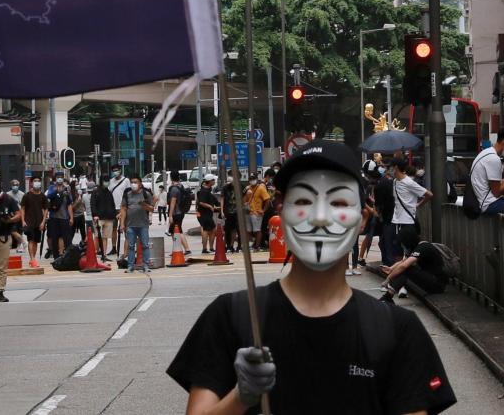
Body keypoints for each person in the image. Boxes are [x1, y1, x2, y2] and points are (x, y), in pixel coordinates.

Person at [168, 140, 457, 414]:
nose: (320, 217)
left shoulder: (398, 331)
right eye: (304, 200)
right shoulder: (230, 317)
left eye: (339, 203)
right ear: (281, 209)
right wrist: (241, 397)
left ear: (362, 218)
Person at [380, 227, 453, 303]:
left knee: (406, 269)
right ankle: (388, 297)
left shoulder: (423, 247)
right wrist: (391, 269)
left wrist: (388, 278)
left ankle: (388, 297)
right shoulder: (416, 248)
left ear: (407, 241)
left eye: (402, 243)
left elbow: (404, 266)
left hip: (438, 285)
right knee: (404, 269)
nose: (402, 246)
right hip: (431, 281)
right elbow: (403, 261)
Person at [390, 159, 432, 262]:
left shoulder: (409, 182)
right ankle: (399, 275)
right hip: (397, 222)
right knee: (397, 252)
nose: (388, 170)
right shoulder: (395, 182)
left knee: (410, 255)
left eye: (390, 167)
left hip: (408, 223)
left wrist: (418, 205)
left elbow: (429, 194)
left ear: (395, 168)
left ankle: (405, 275)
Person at [119, 175, 153, 273]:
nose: (134, 184)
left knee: (145, 245)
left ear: (140, 184)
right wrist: (122, 224)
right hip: (130, 225)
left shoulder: (146, 194)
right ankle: (130, 266)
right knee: (130, 246)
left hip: (143, 225)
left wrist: (144, 205)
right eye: (132, 182)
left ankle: (146, 265)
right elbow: (123, 209)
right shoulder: (127, 195)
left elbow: (151, 208)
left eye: (136, 182)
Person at [20, 177, 48, 268]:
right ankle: (32, 259)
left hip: (39, 222)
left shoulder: (43, 196)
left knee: (36, 241)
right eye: (35, 181)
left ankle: (33, 258)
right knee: (30, 240)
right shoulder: (27, 195)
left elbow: (46, 209)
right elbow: (22, 209)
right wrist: (23, 221)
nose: (37, 183)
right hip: (29, 221)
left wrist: (43, 222)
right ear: (31, 183)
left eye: (38, 181)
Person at [91, 175, 118, 260]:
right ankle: (95, 253)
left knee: (105, 237)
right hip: (98, 218)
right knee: (96, 236)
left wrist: (114, 215)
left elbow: (112, 204)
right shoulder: (96, 192)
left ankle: (104, 254)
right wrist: (94, 215)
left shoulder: (109, 192)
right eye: (105, 180)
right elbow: (93, 204)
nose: (107, 182)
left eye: (107, 180)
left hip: (109, 218)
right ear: (101, 181)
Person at [243, 174, 271, 252]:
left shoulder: (261, 188)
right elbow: (243, 199)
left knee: (257, 230)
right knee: (248, 230)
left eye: (253, 179)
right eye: (251, 179)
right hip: (248, 212)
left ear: (256, 179)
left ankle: (257, 246)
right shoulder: (247, 188)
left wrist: (263, 210)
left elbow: (267, 199)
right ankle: (249, 246)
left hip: (257, 212)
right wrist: (245, 197)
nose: (252, 181)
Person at [167, 172, 193, 255]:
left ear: (171, 178)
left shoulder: (174, 188)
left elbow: (173, 202)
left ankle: (186, 249)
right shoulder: (181, 186)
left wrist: (170, 215)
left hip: (176, 213)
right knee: (173, 231)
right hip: (181, 211)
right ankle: (176, 249)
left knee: (178, 231)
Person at [196, 175, 220, 254]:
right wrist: (210, 206)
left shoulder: (209, 190)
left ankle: (210, 248)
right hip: (203, 214)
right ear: (209, 181)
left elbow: (216, 202)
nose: (214, 181)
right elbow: (201, 202)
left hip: (206, 214)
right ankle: (205, 248)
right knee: (207, 230)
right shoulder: (203, 191)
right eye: (213, 180)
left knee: (211, 229)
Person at [221, 170, 241, 253]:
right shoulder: (225, 187)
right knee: (227, 230)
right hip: (228, 212)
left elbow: (245, 197)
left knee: (236, 230)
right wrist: (221, 211)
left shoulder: (240, 187)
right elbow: (222, 199)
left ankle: (233, 246)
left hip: (237, 213)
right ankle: (226, 246)